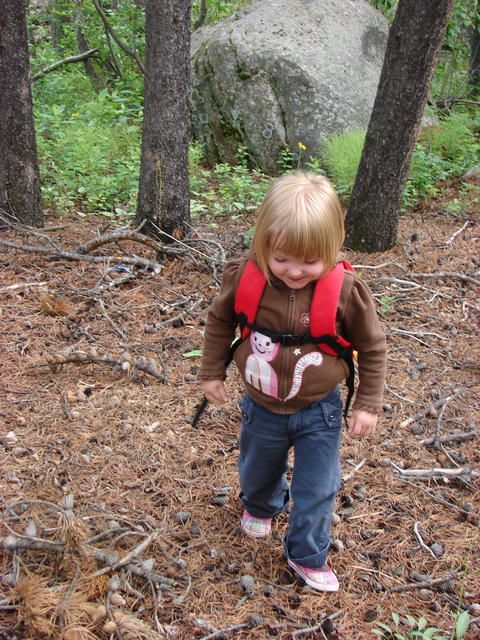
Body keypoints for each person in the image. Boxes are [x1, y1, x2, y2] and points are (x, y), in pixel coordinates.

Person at [198, 172, 387, 592]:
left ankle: (307, 553)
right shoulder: (245, 278)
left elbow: (372, 347)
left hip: (319, 409)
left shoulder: (346, 293)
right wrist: (211, 372)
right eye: (282, 258)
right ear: (263, 242)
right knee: (256, 470)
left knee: (318, 487)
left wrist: (367, 404)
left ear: (333, 250)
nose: (295, 271)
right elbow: (219, 320)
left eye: (310, 262)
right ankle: (262, 505)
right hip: (261, 405)